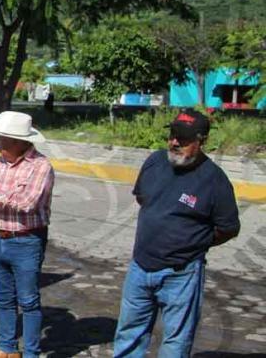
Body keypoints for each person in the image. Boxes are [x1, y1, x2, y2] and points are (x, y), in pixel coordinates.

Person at [113, 110, 240, 357]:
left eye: (182, 138)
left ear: (202, 141)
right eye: (172, 135)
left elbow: (228, 228)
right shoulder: (154, 161)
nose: (174, 142)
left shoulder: (215, 180)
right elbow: (143, 199)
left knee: (175, 343)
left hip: (181, 275)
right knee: (129, 334)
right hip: (140, 268)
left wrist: (193, 243)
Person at [0, 111, 54, 358]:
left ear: (17, 141)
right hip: (0, 236)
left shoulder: (41, 166)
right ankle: (6, 348)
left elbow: (27, 202)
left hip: (27, 240)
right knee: (3, 298)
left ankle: (30, 353)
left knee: (28, 301)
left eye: (2, 139)